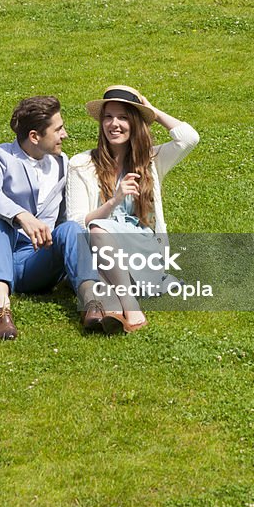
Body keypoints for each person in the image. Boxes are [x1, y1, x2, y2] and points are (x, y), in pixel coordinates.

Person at [0, 95, 111, 339]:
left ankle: (91, 304)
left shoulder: (62, 162)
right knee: (2, 223)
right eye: (58, 129)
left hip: (32, 262)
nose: (64, 135)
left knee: (71, 229)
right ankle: (0, 309)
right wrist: (21, 216)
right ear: (34, 136)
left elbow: (66, 219)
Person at [66, 86, 199, 332]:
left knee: (98, 231)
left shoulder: (150, 160)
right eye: (108, 117)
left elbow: (189, 138)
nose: (113, 124)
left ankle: (126, 303)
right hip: (101, 250)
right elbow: (76, 221)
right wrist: (113, 201)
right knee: (96, 229)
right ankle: (120, 308)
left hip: (142, 247)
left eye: (123, 117)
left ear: (135, 122)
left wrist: (152, 112)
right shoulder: (81, 164)